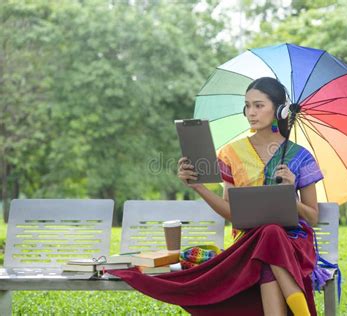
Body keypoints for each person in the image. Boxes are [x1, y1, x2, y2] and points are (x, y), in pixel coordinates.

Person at [110, 77, 328, 316]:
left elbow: (313, 217)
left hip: (294, 242)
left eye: (259, 105)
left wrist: (290, 197)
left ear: (278, 110)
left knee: (272, 233)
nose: (251, 112)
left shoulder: (300, 156)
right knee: (268, 234)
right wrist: (199, 187)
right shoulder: (232, 153)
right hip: (249, 242)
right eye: (247, 106)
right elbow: (231, 212)